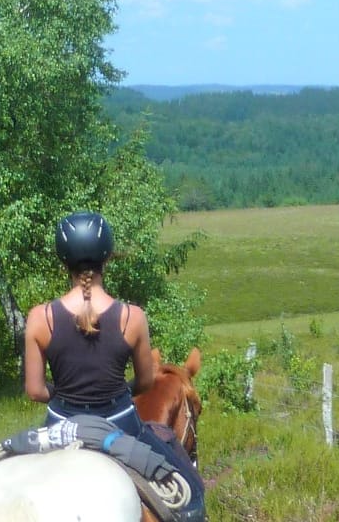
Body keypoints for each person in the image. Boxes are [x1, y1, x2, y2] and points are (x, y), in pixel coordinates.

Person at [21, 211, 203, 518]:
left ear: (63, 260)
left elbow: (35, 391)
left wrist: (64, 393)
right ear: (107, 258)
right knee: (191, 491)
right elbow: (145, 383)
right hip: (120, 423)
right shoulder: (133, 317)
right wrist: (120, 390)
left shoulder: (40, 317)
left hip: (60, 424)